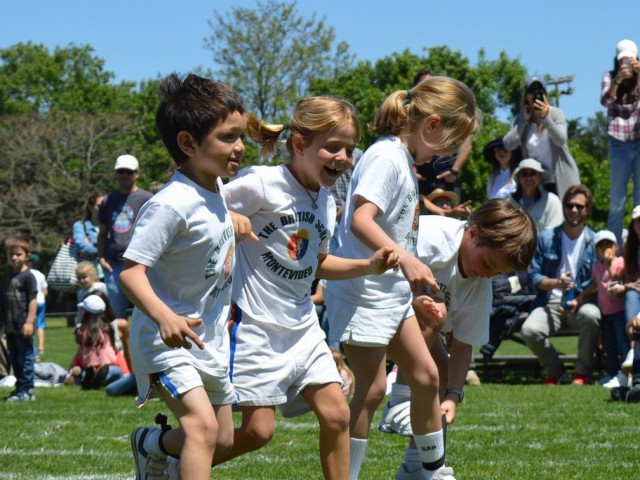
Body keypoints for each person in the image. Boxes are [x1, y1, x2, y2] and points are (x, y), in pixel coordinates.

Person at [215, 96, 399, 480]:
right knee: (256, 432)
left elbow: (317, 265)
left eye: (349, 149)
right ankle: (163, 452)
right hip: (255, 326)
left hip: (303, 326)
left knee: (336, 415)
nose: (343, 157)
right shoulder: (262, 182)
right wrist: (227, 214)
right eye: (333, 147)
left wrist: (368, 265)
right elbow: (195, 204)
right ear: (299, 145)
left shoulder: (326, 202)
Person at [324, 76, 481, 480]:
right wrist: (407, 261)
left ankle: (429, 472)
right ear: (430, 125)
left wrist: (408, 277)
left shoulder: (404, 163)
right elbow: (361, 219)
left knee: (428, 375)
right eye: (450, 141)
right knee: (372, 390)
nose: (449, 154)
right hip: (363, 293)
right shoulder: (385, 158)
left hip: (390, 294)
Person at [119, 73, 247, 480]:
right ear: (189, 144)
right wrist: (164, 317)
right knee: (202, 429)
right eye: (228, 138)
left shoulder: (216, 188)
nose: (240, 146)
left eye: (240, 136)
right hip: (165, 341)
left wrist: (235, 220)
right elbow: (131, 273)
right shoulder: (170, 205)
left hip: (208, 340)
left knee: (223, 439)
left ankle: (150, 444)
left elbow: (208, 224)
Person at [376, 199, 537, 479]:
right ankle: (399, 397)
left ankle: (419, 468)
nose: (487, 274)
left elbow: (463, 345)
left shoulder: (479, 285)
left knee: (442, 371)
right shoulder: (429, 239)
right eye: (487, 263)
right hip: (371, 306)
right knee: (376, 388)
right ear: (472, 233)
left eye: (496, 272)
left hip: (414, 328)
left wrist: (453, 397)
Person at [521, 184, 601, 385]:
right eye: (569, 205)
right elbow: (534, 275)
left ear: (587, 210)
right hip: (550, 303)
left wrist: (580, 299)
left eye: (580, 207)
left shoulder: (595, 241)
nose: (574, 210)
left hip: (580, 304)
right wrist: (556, 283)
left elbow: (601, 280)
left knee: (592, 315)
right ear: (563, 207)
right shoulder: (546, 238)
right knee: (529, 330)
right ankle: (556, 371)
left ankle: (582, 372)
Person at [503, 76, 580, 199]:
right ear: (526, 96)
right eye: (531, 91)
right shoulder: (520, 119)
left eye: (539, 91)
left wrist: (546, 118)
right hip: (536, 185)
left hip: (561, 181)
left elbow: (560, 140)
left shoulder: (556, 114)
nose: (535, 95)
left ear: (545, 94)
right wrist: (523, 121)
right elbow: (508, 144)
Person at [98, 154, 153, 319]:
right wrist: (101, 258)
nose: (124, 175)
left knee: (145, 314)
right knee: (116, 317)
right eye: (120, 171)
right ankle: (118, 346)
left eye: (128, 172)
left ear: (137, 174)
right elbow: (102, 233)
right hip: (113, 264)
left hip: (140, 263)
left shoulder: (147, 199)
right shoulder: (108, 200)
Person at [577, 230, 628, 388]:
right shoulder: (596, 266)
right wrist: (582, 296)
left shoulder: (621, 263)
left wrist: (609, 266)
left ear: (616, 247)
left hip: (619, 312)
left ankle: (625, 375)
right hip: (605, 312)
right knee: (610, 348)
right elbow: (595, 283)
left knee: (623, 346)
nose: (605, 248)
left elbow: (617, 282)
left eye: (609, 244)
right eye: (601, 245)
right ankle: (611, 374)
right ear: (596, 250)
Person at [601, 39, 640, 245]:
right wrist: (618, 81)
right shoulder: (609, 77)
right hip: (619, 144)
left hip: (639, 141)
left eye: (630, 60)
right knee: (617, 202)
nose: (626, 65)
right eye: (622, 61)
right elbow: (605, 101)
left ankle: (638, 251)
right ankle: (614, 252)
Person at [1, 233, 37, 402]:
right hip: (10, 327)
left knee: (26, 358)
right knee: (15, 359)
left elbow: (33, 300)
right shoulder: (9, 277)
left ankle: (28, 390)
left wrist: (29, 322)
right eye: (11, 255)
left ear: (27, 256)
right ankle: (19, 389)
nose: (14, 258)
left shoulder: (28, 276)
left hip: (23, 326)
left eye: (18, 254)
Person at [67, 294, 118, 390]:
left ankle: (90, 373)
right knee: (117, 372)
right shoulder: (108, 328)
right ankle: (101, 373)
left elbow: (80, 349)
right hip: (109, 363)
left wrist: (71, 367)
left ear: (86, 312)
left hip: (90, 362)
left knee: (82, 372)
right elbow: (114, 347)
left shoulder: (82, 330)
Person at [509, 158, 563, 232]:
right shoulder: (510, 202)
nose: (528, 178)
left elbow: (554, 233)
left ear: (540, 177)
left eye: (533, 173)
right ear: (519, 177)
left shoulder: (552, 201)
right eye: (524, 174)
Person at [73, 191, 105, 278]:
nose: (103, 209)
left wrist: (92, 245)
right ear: (90, 207)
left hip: (109, 273)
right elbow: (82, 246)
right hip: (89, 277)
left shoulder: (112, 226)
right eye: (99, 206)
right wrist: (105, 248)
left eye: (105, 206)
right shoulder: (80, 226)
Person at [27, 253, 48, 357]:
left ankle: (32, 349)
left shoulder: (27, 274)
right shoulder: (41, 275)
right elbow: (45, 291)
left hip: (32, 301)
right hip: (41, 302)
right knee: (40, 325)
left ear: (29, 263)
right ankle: (41, 346)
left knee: (30, 323)